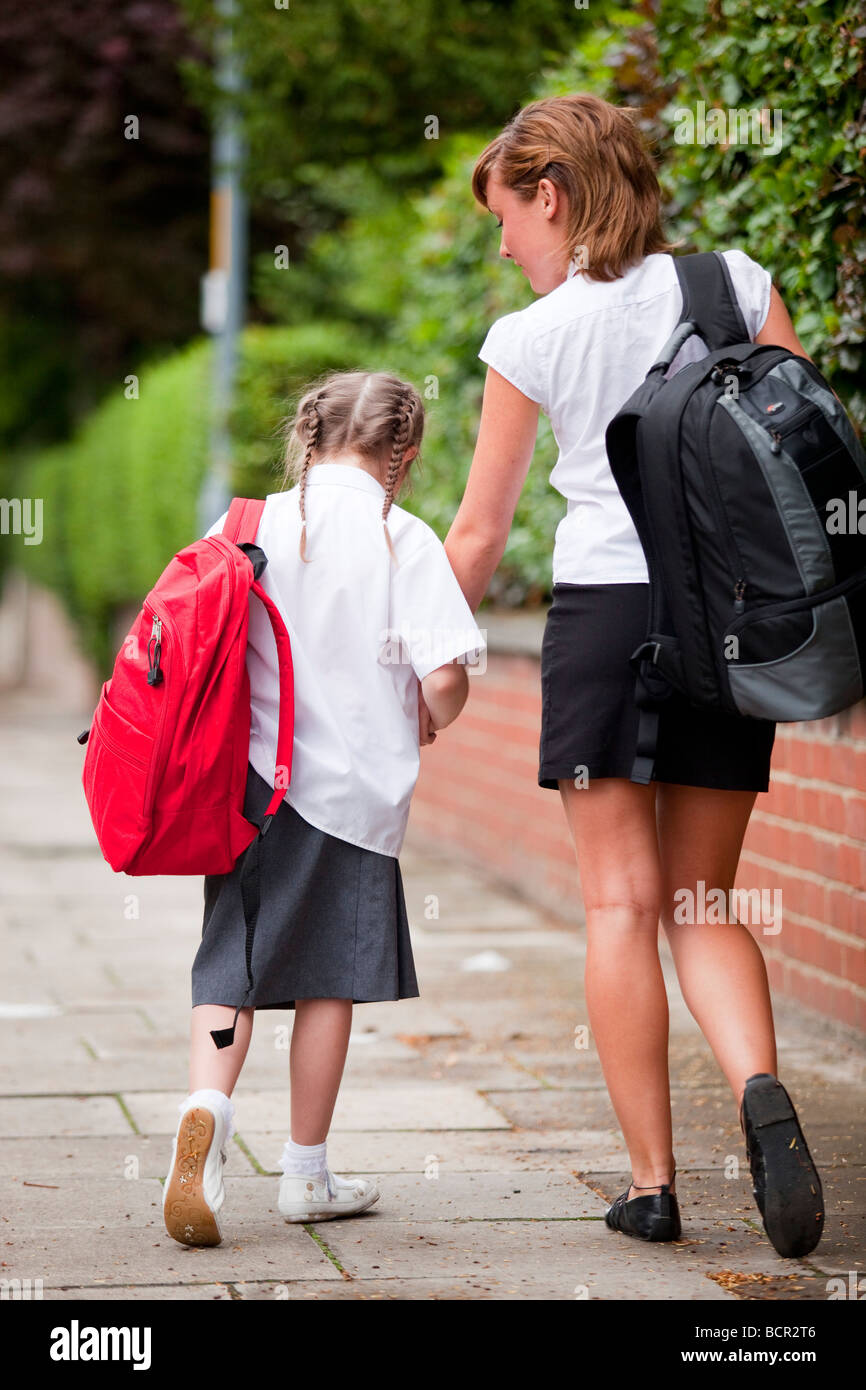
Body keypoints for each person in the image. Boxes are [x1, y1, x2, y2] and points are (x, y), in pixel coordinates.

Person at [442, 93, 824, 1257]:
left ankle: (653, 1187)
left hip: (604, 618)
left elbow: (478, 534)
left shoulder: (530, 337)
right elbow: (801, 455)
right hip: (727, 623)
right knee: (702, 899)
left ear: (548, 195)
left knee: (617, 903)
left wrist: (402, 660)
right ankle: (759, 1090)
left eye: (505, 215)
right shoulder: (739, 284)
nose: (503, 243)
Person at [163, 370, 486, 1247]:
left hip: (248, 790)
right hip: (350, 799)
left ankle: (206, 1108)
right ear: (403, 454)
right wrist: (430, 709)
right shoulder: (401, 538)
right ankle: (306, 1175)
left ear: (310, 436)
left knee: (230, 957)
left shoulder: (246, 524)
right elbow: (448, 679)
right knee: (327, 982)